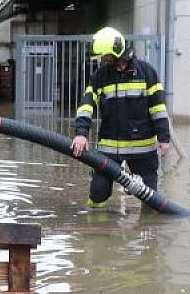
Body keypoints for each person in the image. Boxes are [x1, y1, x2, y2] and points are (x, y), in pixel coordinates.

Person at [70, 27, 171, 208]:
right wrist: (81, 133)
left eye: (106, 56)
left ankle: (149, 233)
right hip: (109, 149)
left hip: (143, 150)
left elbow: (158, 108)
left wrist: (164, 137)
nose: (103, 60)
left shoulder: (147, 73)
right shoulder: (100, 77)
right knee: (98, 192)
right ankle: (96, 229)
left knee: (150, 200)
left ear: (117, 52)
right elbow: (86, 105)